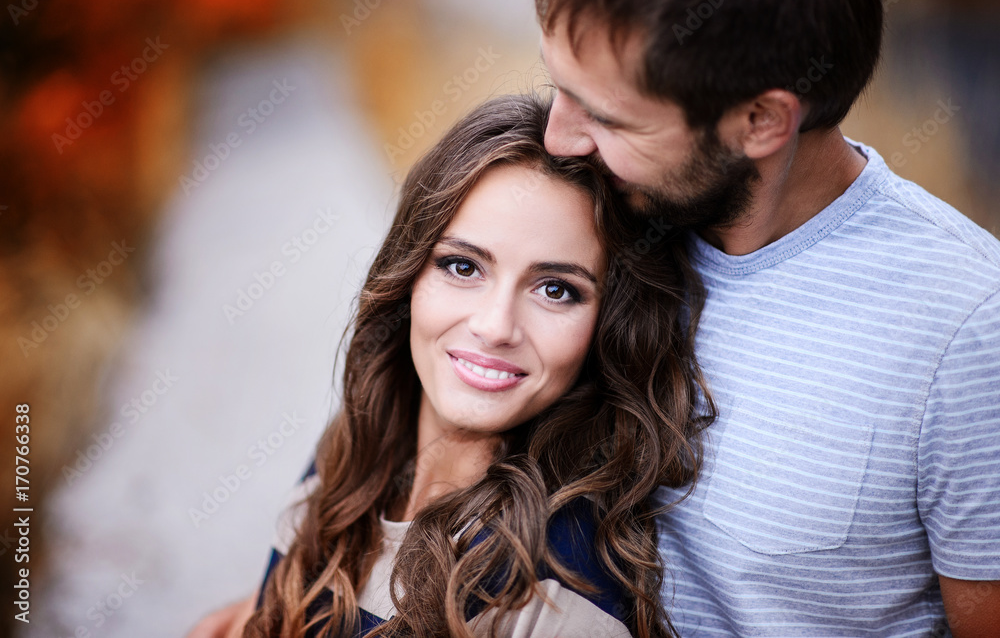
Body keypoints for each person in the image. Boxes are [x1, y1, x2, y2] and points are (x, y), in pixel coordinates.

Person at [534, 0, 1000, 635]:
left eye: (607, 116)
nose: (559, 139)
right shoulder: (583, 220)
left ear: (761, 121)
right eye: (559, 88)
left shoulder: (967, 331)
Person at [186, 94, 714, 638]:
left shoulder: (557, 599)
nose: (495, 325)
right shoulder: (355, 451)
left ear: (606, 326)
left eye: (556, 289)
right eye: (462, 266)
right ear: (409, 275)